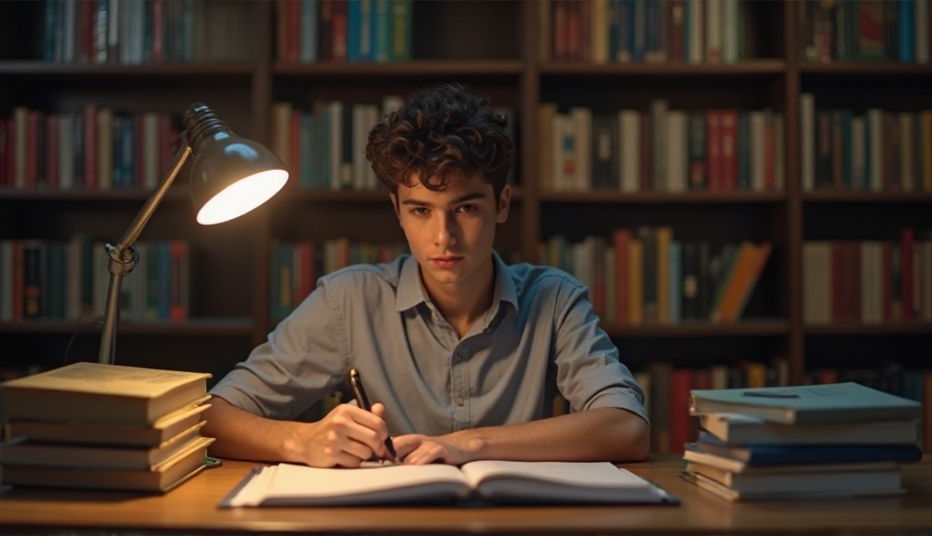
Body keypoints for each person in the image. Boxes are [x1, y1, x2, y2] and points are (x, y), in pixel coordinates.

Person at [203, 84, 649, 467]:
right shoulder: (349, 299)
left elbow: (627, 427)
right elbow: (213, 415)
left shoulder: (554, 299)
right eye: (421, 210)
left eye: (466, 208)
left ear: (503, 205)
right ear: (398, 211)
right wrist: (302, 440)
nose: (444, 237)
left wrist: (469, 445)